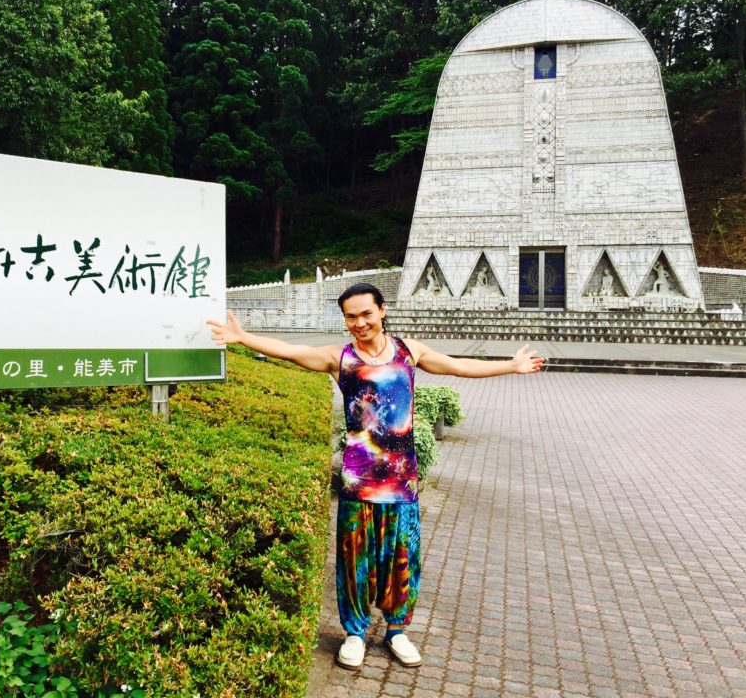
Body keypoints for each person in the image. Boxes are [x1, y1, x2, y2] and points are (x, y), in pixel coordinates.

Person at [207, 283, 544, 670]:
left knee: (402, 560)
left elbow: (459, 366)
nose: (359, 322)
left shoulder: (408, 352)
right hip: (359, 484)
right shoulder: (340, 358)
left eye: (366, 313)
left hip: (402, 485)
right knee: (355, 562)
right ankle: (354, 633)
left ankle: (397, 631)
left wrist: (509, 366)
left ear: (382, 310)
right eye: (351, 316)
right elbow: (291, 350)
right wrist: (244, 337)